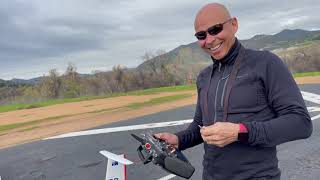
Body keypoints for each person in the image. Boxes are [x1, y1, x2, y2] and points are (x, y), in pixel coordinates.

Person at [154, 3, 313, 180]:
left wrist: (240, 131)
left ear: (234, 25)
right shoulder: (204, 77)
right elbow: (200, 127)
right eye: (201, 35)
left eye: (215, 29)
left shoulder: (266, 63)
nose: (209, 39)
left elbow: (301, 123)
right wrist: (178, 140)